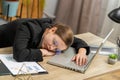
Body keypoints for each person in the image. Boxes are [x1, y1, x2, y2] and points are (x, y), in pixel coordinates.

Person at [0, 18, 90, 66]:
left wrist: (82, 52)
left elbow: (77, 41)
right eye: (54, 43)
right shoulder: (28, 28)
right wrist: (43, 52)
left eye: (56, 49)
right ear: (52, 30)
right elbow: (19, 55)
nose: (51, 48)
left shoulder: (56, 33)